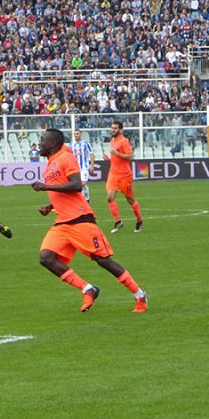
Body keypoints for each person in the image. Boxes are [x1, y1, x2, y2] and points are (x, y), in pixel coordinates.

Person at [31, 128, 147, 313]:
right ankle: (88, 289)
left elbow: (77, 185)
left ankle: (139, 295)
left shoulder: (65, 158)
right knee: (46, 258)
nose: (39, 143)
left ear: (53, 143)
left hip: (80, 219)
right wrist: (50, 206)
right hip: (62, 222)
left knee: (103, 260)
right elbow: (61, 191)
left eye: (42, 140)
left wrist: (46, 186)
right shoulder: (50, 164)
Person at [103, 120, 143, 233]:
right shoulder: (112, 141)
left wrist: (118, 154)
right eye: (112, 128)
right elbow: (116, 159)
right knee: (109, 197)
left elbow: (131, 156)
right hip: (113, 174)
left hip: (125, 175)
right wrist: (109, 159)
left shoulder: (124, 141)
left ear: (120, 130)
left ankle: (139, 220)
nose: (113, 130)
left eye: (115, 128)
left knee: (130, 200)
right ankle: (118, 222)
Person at [71, 128, 95, 201]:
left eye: (77, 134)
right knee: (80, 186)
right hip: (75, 168)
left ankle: (82, 200)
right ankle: (86, 200)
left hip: (84, 167)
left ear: (80, 134)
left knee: (83, 183)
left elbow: (91, 153)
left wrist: (92, 165)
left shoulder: (85, 143)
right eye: (75, 134)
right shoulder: (72, 144)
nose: (76, 135)